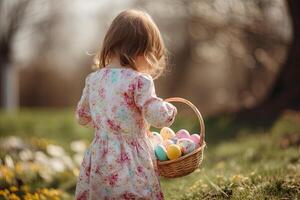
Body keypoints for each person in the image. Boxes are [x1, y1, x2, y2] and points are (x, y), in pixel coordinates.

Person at [74, 9, 177, 200]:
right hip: (131, 158)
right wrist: (168, 112)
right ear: (141, 51)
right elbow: (155, 115)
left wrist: (105, 123)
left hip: (100, 155)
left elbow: (82, 116)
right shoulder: (139, 81)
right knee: (135, 193)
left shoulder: (93, 80)